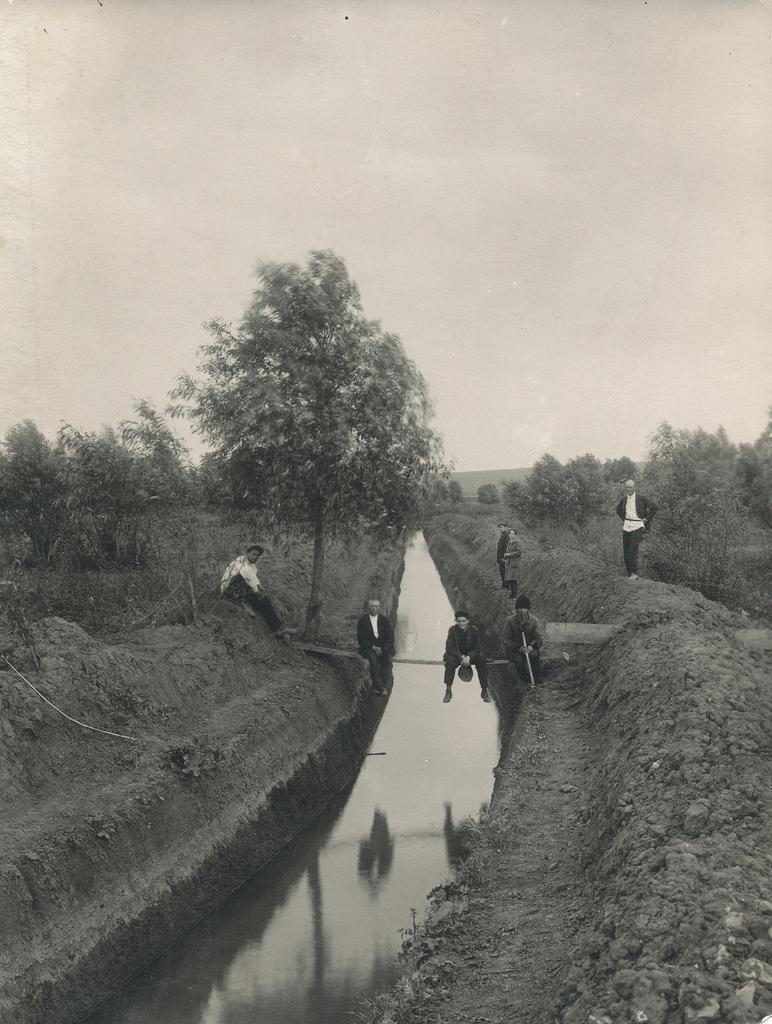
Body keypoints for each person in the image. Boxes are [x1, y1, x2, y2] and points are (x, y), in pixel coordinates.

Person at [220, 544, 293, 642]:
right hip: (229, 590)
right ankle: (245, 602)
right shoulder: (239, 561)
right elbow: (247, 574)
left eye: (257, 555)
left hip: (242, 592)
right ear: (247, 553)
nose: (255, 557)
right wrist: (257, 588)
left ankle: (279, 628)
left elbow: (252, 580)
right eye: (253, 554)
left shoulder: (253, 568)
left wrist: (258, 590)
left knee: (265, 600)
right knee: (243, 579)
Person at [443, 609, 490, 704]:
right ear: (456, 621)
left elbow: (477, 647)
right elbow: (449, 647)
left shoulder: (474, 630)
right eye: (459, 621)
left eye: (464, 621)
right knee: (450, 663)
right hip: (456, 656)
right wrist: (461, 656)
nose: (461, 623)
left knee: (481, 661)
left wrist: (469, 656)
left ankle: (484, 690)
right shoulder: (452, 630)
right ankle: (448, 690)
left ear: (468, 621)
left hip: (470, 656)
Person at [615, 479, 658, 580]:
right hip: (627, 526)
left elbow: (655, 507)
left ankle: (634, 573)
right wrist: (624, 519)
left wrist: (647, 519)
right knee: (626, 550)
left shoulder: (641, 498)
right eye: (627, 487)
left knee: (633, 549)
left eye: (630, 487)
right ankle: (629, 574)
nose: (628, 489)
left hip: (638, 525)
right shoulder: (624, 499)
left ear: (634, 487)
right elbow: (618, 510)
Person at [501, 595, 544, 688]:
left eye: (524, 608)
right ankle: (526, 680)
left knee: (534, 656)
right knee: (519, 661)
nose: (521, 611)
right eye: (519, 608)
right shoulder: (510, 621)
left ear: (528, 609)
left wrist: (531, 646)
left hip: (529, 648)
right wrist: (517, 647)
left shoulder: (534, 621)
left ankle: (537, 677)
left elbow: (539, 638)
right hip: (514, 650)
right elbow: (505, 639)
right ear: (516, 609)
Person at [356, 598, 395, 696]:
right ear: (368, 607)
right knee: (373, 660)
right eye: (372, 606)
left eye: (376, 606)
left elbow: (390, 637)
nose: (373, 608)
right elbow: (361, 639)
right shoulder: (363, 621)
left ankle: (384, 685)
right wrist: (373, 647)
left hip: (382, 647)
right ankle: (380, 687)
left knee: (386, 661)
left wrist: (384, 649)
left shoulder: (384, 620)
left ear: (379, 608)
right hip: (368, 648)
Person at [502, 527, 522, 598]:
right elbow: (508, 552)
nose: (511, 535)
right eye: (510, 533)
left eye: (512, 533)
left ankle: (514, 594)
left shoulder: (517, 542)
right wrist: (505, 556)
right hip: (509, 563)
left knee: (514, 579)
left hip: (514, 563)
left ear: (515, 535)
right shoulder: (509, 542)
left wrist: (509, 554)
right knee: (510, 579)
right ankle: (512, 593)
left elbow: (519, 552)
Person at [496, 523, 510, 588]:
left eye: (502, 527)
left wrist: (503, 557)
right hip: (501, 557)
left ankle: (506, 586)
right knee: (502, 571)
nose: (500, 529)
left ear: (505, 528)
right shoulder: (502, 535)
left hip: (503, 558)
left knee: (504, 572)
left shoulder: (506, 536)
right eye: (499, 527)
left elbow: (506, 548)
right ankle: (504, 585)